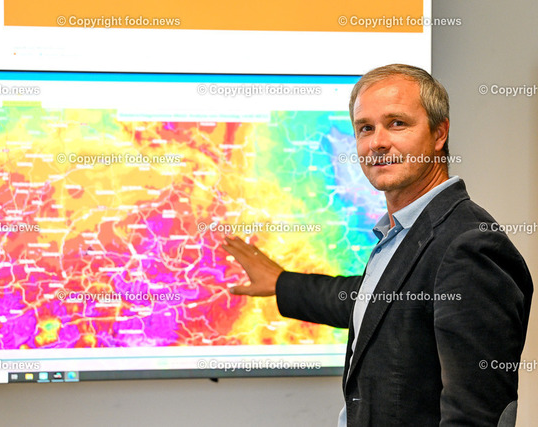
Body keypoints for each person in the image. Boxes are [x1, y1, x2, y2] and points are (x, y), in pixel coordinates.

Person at [221, 64, 533, 426]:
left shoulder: (469, 244)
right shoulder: (405, 233)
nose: (377, 142)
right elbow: (375, 303)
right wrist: (281, 284)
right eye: (365, 128)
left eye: (397, 123)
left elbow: (476, 415)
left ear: (439, 133)